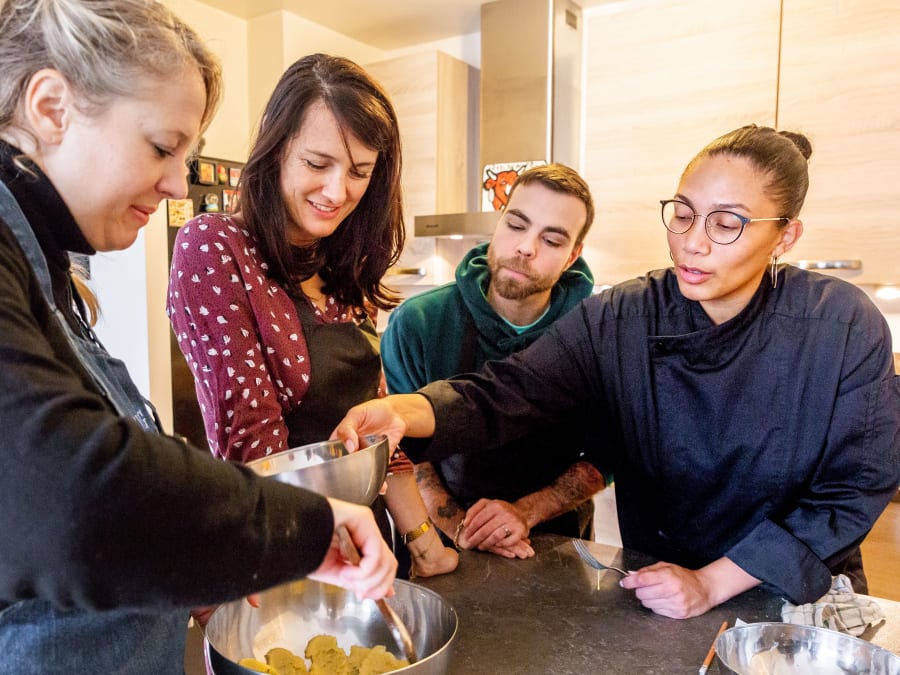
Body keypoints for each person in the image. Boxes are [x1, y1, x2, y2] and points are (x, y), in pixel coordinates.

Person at [333, 124, 900, 619]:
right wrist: (401, 410)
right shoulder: (624, 315)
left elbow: (852, 492)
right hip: (664, 589)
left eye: (727, 223)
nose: (692, 242)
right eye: (682, 214)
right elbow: (511, 391)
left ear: (786, 235)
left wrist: (711, 582)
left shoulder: (842, 325)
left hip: (790, 596)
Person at [0, 3, 395, 673]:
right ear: (50, 106)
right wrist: (300, 524)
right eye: (161, 146)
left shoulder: (46, 271)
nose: (180, 183)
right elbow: (71, 494)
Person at [167, 53, 458, 580]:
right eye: (317, 164)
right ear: (277, 149)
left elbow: (375, 428)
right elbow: (251, 443)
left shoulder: (343, 261)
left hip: (369, 542)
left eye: (359, 172)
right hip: (286, 544)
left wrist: (424, 544)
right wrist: (329, 549)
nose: (337, 191)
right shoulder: (214, 246)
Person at [381, 163, 607, 559]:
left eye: (551, 240)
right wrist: (461, 529)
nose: (526, 248)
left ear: (573, 256)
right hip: (445, 538)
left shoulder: (599, 333)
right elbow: (406, 454)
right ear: (498, 224)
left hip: (560, 540)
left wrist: (525, 512)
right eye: (516, 225)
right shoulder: (417, 323)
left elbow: (608, 454)